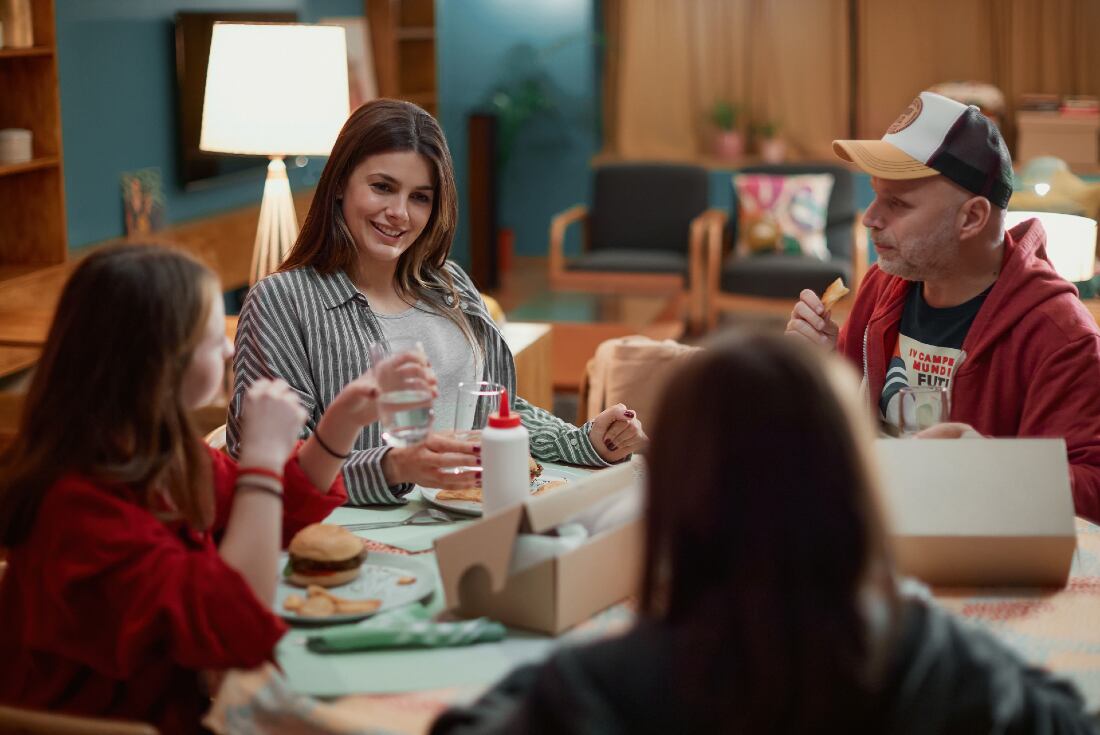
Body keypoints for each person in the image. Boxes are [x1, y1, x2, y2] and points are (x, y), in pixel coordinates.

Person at [430, 332, 1098, 734]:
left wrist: (588, 657)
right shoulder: (932, 658)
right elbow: (1069, 716)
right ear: (854, 488)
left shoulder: (606, 682)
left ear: (672, 500)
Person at [0, 245, 426, 733]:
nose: (228, 349)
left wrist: (339, 424)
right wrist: (263, 458)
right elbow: (234, 626)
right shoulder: (78, 507)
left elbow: (269, 516)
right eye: (210, 337)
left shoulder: (158, 453)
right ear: (160, 363)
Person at [229, 99, 647, 506]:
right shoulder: (282, 302)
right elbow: (272, 468)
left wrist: (585, 441)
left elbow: (491, 412)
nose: (400, 213)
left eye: (420, 197)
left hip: (471, 518)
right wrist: (395, 467)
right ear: (339, 183)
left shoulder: (451, 285)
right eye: (382, 187)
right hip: (361, 540)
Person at [786, 90, 1100, 522]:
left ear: (971, 218)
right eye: (876, 195)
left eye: (897, 203)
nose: (869, 217)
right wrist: (821, 367)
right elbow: (846, 430)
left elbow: (1092, 490)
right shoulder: (885, 284)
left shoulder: (1059, 334)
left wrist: (991, 468)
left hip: (972, 561)